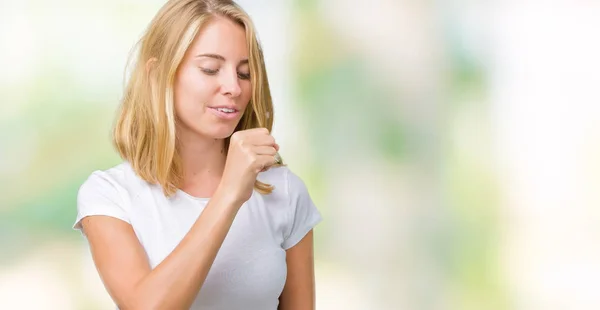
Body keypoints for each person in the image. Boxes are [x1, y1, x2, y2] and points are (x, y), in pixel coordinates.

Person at [72, 0, 322, 309]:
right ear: (158, 74)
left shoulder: (284, 192)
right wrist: (229, 193)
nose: (233, 87)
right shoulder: (111, 197)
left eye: (244, 73)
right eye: (210, 69)